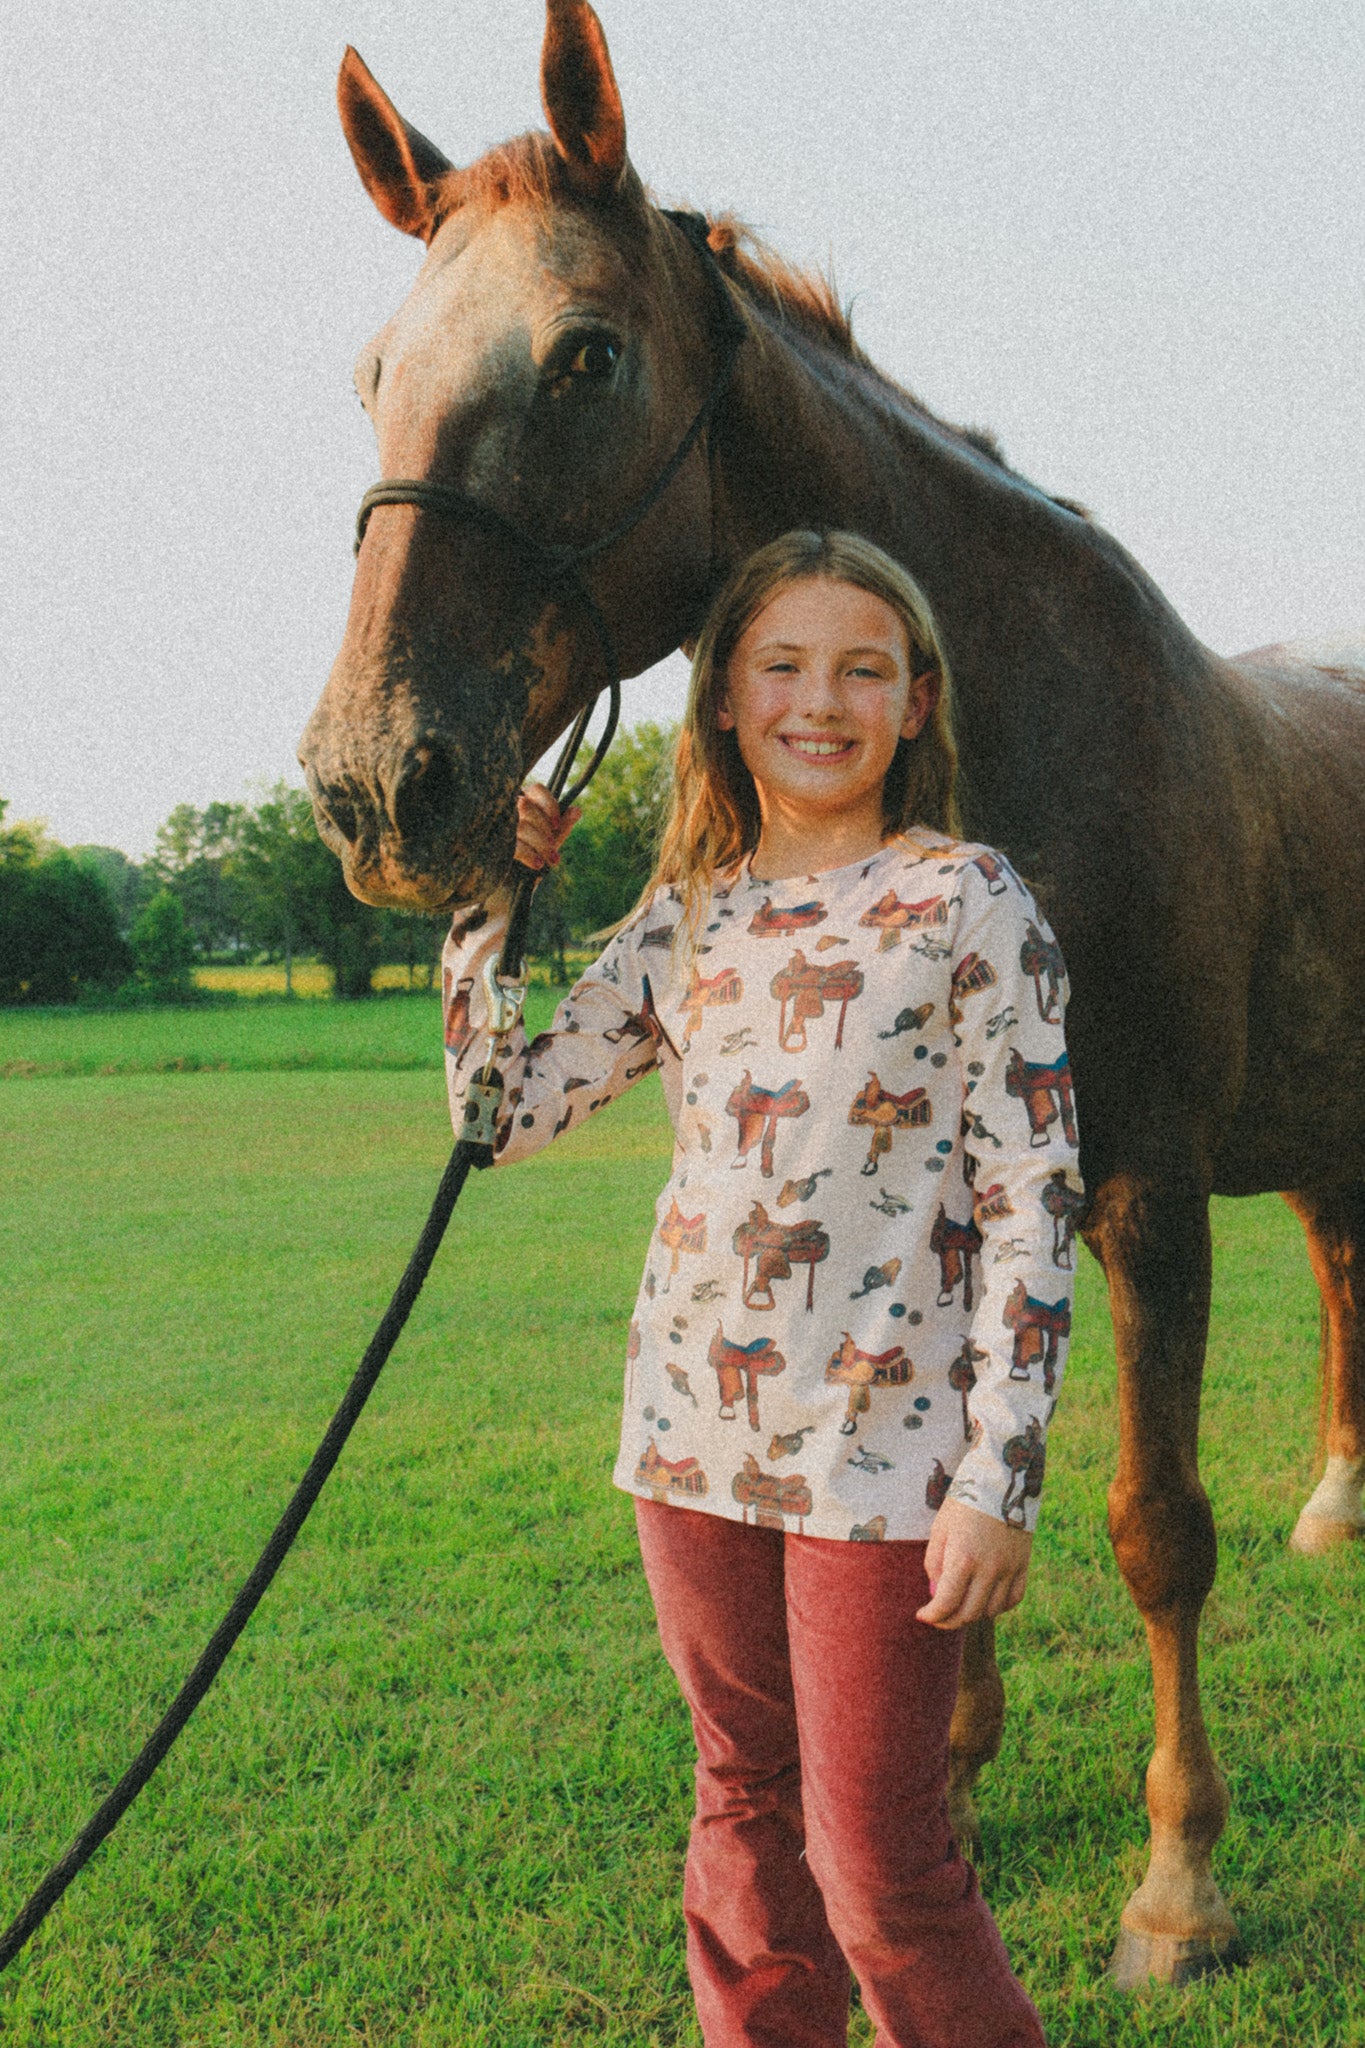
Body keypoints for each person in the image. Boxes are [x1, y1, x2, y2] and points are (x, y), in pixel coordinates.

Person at [441, 530, 1081, 2048]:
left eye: (862, 668)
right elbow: (499, 1116)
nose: (820, 700)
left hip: (888, 1458)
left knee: (881, 1867)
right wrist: (488, 902)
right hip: (691, 1438)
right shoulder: (689, 916)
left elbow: (1033, 1196)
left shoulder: (967, 902)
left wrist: (1001, 1473)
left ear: (915, 703)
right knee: (739, 1812)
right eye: (780, 665)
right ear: (723, 700)